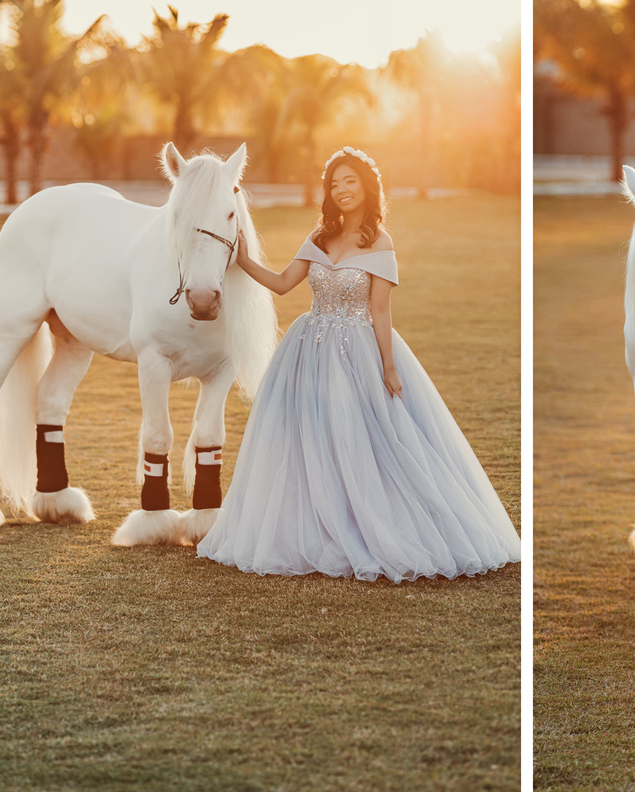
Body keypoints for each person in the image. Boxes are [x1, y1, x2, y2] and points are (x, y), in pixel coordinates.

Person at [196, 147, 520, 581]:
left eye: (350, 181)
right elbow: (281, 284)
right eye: (334, 183)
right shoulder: (319, 236)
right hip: (308, 350)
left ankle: (367, 524)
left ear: (367, 187)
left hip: (357, 353)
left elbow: (380, 312)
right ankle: (315, 524)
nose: (342, 190)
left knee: (359, 439)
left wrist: (388, 366)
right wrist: (242, 259)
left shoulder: (380, 242)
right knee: (308, 439)